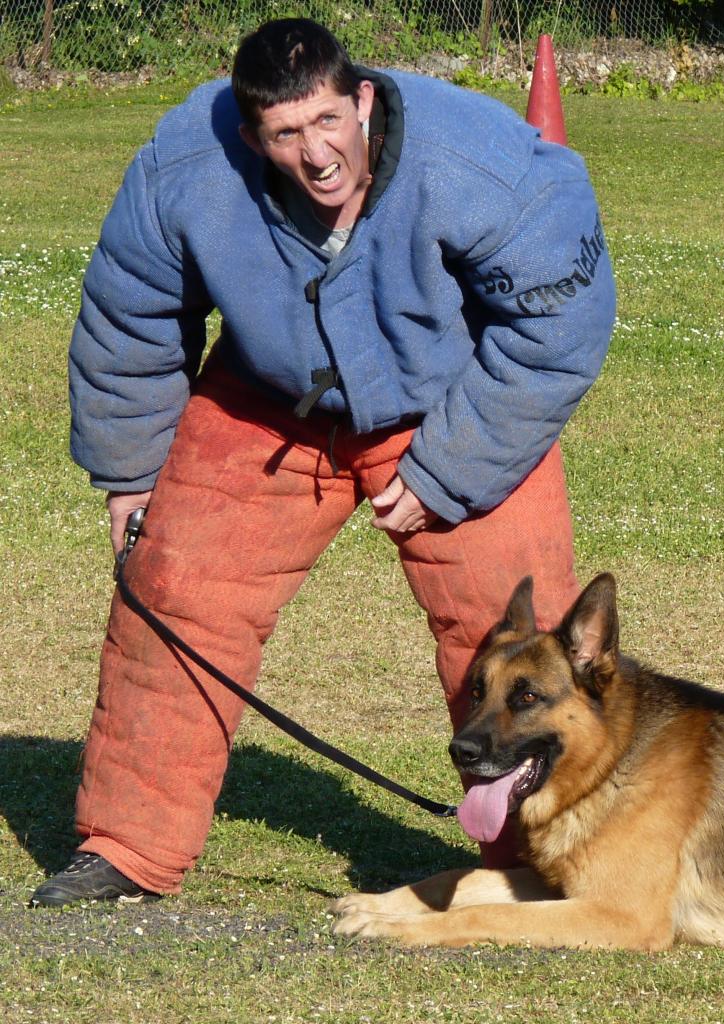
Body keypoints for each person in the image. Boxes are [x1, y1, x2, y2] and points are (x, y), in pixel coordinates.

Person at [31, 17, 615, 907]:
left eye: (329, 122)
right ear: (249, 135)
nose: (317, 154)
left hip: (455, 402)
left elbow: (559, 329)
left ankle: (538, 862)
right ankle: (125, 848)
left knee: (512, 635)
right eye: (286, 135)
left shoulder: (485, 163)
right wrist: (130, 471)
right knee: (174, 592)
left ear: (363, 98)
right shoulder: (185, 164)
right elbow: (131, 316)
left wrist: (446, 472)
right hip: (269, 400)